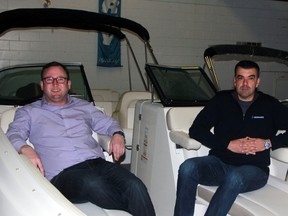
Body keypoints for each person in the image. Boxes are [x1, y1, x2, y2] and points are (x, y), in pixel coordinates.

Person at [6, 61, 155, 216]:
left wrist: (118, 134)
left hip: (97, 164)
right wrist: (25, 148)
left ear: (68, 84)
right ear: (42, 85)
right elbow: (13, 134)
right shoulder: (28, 112)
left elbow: (108, 123)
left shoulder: (84, 107)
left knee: (136, 185)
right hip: (63, 175)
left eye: (61, 79)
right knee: (92, 183)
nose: (55, 84)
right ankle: (135, 207)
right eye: (49, 79)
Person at [174, 60, 288, 216]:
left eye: (251, 78)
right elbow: (196, 130)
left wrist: (268, 143)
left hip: (254, 169)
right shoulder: (221, 100)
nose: (245, 83)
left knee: (234, 177)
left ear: (258, 81)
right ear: (235, 80)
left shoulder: (270, 105)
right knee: (187, 168)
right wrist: (227, 144)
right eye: (241, 78)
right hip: (219, 164)